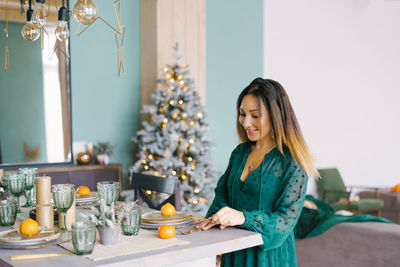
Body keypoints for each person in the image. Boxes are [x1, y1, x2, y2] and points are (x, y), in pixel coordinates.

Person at [197, 78, 319, 267]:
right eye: (242, 114)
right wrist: (216, 218)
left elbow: (285, 220)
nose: (246, 122)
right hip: (234, 252)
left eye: (255, 115)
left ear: (276, 115)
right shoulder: (239, 153)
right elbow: (222, 192)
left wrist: (243, 217)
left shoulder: (293, 163)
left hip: (269, 259)